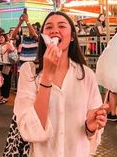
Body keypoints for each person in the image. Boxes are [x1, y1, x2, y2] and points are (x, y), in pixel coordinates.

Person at [13, 11, 108, 156]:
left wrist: (91, 127)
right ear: (43, 36)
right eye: (49, 27)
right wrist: (47, 76)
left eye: (62, 26)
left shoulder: (86, 75)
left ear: (72, 37)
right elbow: (30, 131)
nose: (55, 30)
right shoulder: (29, 71)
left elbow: (91, 134)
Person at [0, 33, 15, 104]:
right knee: (0, 81)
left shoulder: (8, 45)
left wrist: (8, 43)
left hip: (7, 65)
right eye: (0, 37)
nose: (0, 39)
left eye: (2, 37)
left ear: (5, 38)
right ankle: (3, 96)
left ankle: (6, 97)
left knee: (6, 81)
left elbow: (12, 51)